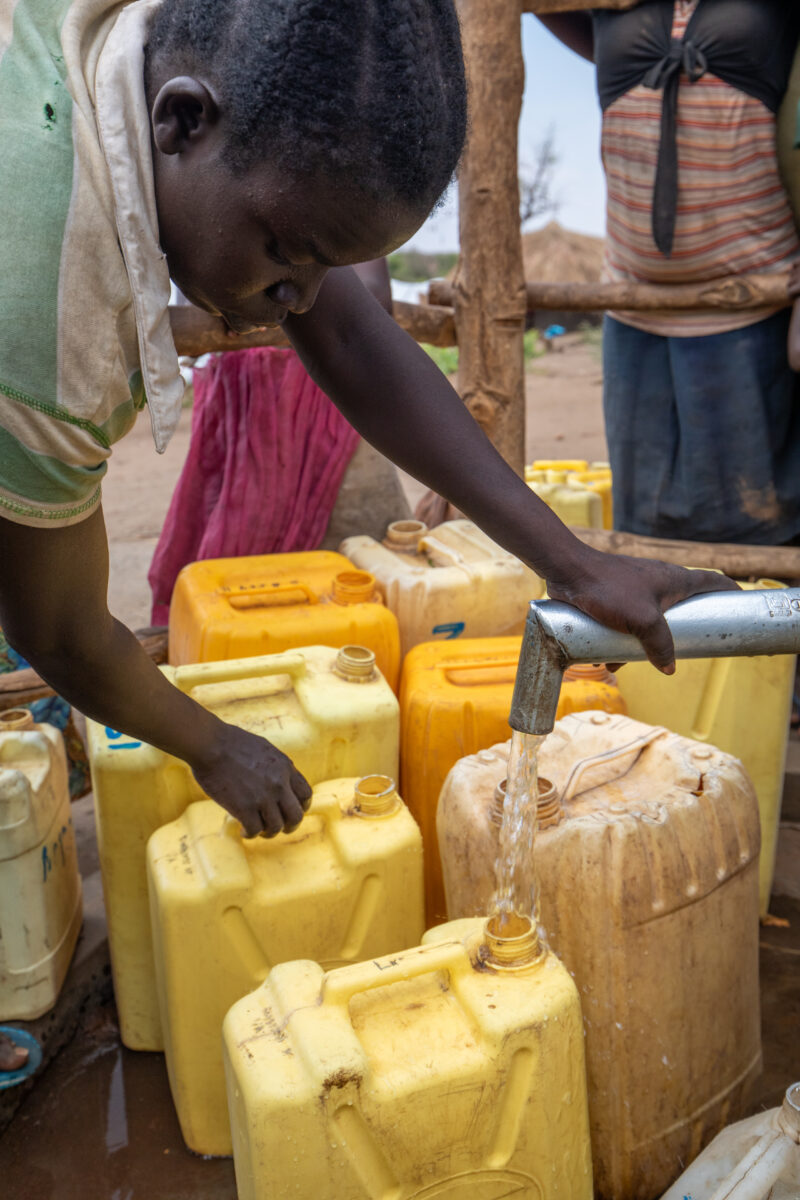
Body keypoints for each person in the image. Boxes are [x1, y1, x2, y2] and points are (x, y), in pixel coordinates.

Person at [0, 2, 734, 853]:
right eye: (287, 253)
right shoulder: (45, 306)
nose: (301, 301)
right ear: (182, 120)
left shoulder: (179, 55)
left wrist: (573, 565)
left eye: (326, 266)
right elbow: (56, 628)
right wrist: (213, 746)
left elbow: (349, 334)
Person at [538, 1, 800, 546]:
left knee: (763, 523)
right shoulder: (611, 3)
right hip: (633, 305)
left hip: (757, 301)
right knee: (647, 525)